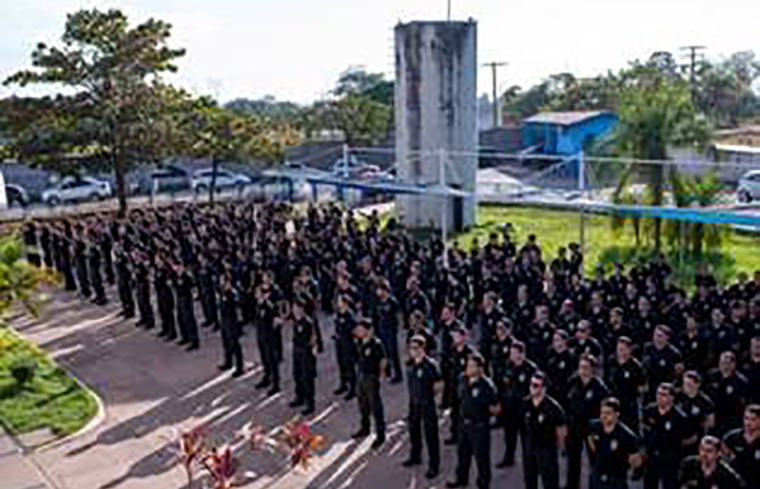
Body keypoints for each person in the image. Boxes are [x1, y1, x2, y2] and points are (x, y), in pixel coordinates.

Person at [447, 353, 498, 489]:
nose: (468, 368)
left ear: (480, 368)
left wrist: (483, 413)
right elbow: (459, 398)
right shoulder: (462, 379)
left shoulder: (487, 385)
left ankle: (483, 484)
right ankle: (461, 479)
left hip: (479, 427)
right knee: (462, 454)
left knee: (481, 458)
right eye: (467, 365)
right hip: (463, 423)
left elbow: (496, 408)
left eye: (471, 366)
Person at [565, 354, 610, 489]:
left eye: (586, 368)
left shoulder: (600, 388)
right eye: (581, 367)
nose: (583, 371)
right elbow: (566, 402)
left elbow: (605, 412)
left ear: (593, 370)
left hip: (592, 429)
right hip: (574, 426)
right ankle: (572, 485)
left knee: (595, 460)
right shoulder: (573, 381)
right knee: (573, 459)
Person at [403, 335, 441, 480]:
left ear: (422, 348)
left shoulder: (430, 365)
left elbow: (439, 385)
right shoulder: (410, 363)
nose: (412, 351)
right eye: (411, 348)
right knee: (414, 430)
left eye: (415, 348)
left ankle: (434, 465)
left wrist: (431, 398)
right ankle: (415, 456)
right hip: (413, 403)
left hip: (427, 404)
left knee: (431, 434)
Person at [521, 372, 567, 489]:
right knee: (530, 481)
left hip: (546, 450)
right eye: (531, 384)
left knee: (550, 482)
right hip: (529, 448)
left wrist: (559, 447)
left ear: (544, 388)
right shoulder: (525, 403)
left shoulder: (553, 408)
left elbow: (561, 431)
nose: (532, 388)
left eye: (536, 385)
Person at [642, 383, 691, 489]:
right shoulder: (649, 411)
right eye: (658, 394)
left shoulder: (680, 417)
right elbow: (644, 430)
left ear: (672, 397)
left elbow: (686, 438)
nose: (659, 397)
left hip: (670, 458)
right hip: (651, 456)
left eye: (664, 395)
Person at [587, 397, 642, 489]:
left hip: (616, 479)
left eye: (608, 413)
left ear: (617, 414)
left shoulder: (627, 436)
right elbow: (591, 444)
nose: (604, 416)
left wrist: (620, 451)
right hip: (597, 476)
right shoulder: (594, 427)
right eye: (602, 412)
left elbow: (637, 462)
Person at [499, 340, 538, 467]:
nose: (511, 355)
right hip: (509, 406)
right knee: (509, 435)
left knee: (526, 436)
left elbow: (535, 390)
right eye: (511, 352)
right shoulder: (507, 365)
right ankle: (508, 458)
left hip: (524, 408)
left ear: (521, 354)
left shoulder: (531, 368)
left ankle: (529, 460)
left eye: (514, 353)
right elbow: (503, 384)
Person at [352, 319, 387, 450]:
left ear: (368, 330)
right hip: (361, 375)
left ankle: (381, 435)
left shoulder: (376, 344)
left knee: (375, 407)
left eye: (361, 329)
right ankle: (365, 428)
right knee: (363, 404)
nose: (358, 331)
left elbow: (383, 360)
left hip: (371, 377)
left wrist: (381, 374)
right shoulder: (360, 341)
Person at [606, 336, 645, 431]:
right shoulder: (611, 362)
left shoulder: (635, 366)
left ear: (629, 350)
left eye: (623, 349)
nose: (620, 352)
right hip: (614, 401)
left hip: (629, 404)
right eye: (619, 349)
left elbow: (642, 385)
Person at [254, 271, 283, 396]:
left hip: (271, 328)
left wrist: (266, 301)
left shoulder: (276, 292)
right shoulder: (259, 290)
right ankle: (267, 376)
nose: (265, 281)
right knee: (264, 354)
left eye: (267, 279)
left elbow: (279, 310)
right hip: (261, 327)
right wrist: (260, 300)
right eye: (264, 279)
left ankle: (276, 383)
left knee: (273, 357)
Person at [678, 436, 745, 488]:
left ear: (718, 453)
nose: (704, 454)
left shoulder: (727, 475)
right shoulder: (688, 465)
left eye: (709, 451)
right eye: (702, 449)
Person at [290, 297, 319, 416]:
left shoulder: (308, 322)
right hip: (297, 352)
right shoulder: (295, 321)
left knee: (307, 379)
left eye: (297, 308)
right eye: (294, 308)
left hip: (306, 353)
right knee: (297, 375)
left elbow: (313, 339)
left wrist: (312, 355)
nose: (295, 311)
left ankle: (310, 404)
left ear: (302, 309)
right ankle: (299, 397)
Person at [676, 370, 715, 455]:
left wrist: (698, 437)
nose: (686, 387)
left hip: (695, 439)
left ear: (697, 385)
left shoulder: (705, 402)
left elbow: (709, 424)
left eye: (689, 385)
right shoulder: (677, 397)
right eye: (684, 384)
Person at [372, 279, 403, 384]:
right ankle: (388, 371)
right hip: (381, 330)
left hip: (390, 331)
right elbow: (375, 317)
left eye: (380, 290)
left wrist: (394, 329)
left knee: (393, 353)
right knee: (384, 352)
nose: (378, 292)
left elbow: (397, 317)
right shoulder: (377, 302)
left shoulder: (392, 302)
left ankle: (398, 375)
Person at [721, 404, 760, 484]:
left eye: (753, 420)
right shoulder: (731, 438)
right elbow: (723, 462)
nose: (748, 423)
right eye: (746, 418)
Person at [217, 272, 243, 377]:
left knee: (234, 344)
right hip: (224, 319)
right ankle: (228, 361)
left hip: (232, 320)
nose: (221, 283)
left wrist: (239, 324)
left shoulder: (233, 293)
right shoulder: (222, 291)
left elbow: (238, 309)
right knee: (226, 342)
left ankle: (239, 367)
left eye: (223, 281)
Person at [333, 294, 357, 400]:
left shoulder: (350, 317)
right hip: (339, 343)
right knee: (341, 364)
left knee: (349, 367)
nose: (339, 304)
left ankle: (353, 389)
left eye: (341, 302)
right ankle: (344, 384)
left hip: (348, 345)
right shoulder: (338, 314)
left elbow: (353, 332)